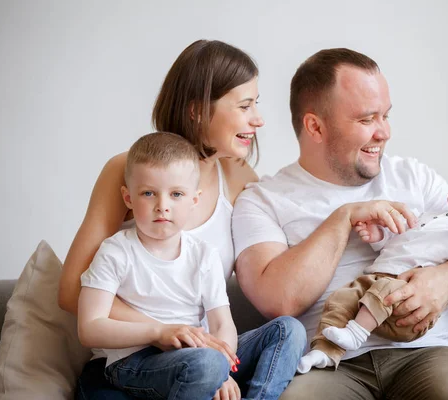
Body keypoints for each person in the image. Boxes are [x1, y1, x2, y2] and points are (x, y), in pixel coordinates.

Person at [232, 48, 448, 399]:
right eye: (367, 119)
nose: (384, 132)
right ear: (315, 126)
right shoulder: (262, 200)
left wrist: (445, 281)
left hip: (429, 352)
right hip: (331, 361)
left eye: (385, 116)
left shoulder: (413, 176)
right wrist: (344, 217)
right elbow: (278, 301)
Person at [58, 40, 306, 400]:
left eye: (257, 103)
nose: (259, 119)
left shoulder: (239, 178)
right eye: (244, 105)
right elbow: (70, 292)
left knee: (288, 330)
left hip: (202, 353)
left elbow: (271, 281)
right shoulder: (130, 170)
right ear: (197, 110)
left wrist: (214, 355)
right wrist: (171, 336)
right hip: (138, 357)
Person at [299, 171, 448, 372]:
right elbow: (401, 245)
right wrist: (379, 237)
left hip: (405, 299)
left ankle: (357, 333)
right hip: (373, 280)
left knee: (384, 291)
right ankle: (326, 352)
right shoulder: (432, 217)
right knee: (340, 300)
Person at [79, 132, 240, 398]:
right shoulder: (116, 251)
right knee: (206, 363)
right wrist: (159, 332)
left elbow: (223, 324)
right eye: (149, 193)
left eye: (176, 194)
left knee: (286, 331)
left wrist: (223, 371)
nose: (162, 206)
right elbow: (89, 328)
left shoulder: (203, 255)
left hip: (194, 359)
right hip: (134, 361)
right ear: (128, 198)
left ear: (194, 200)